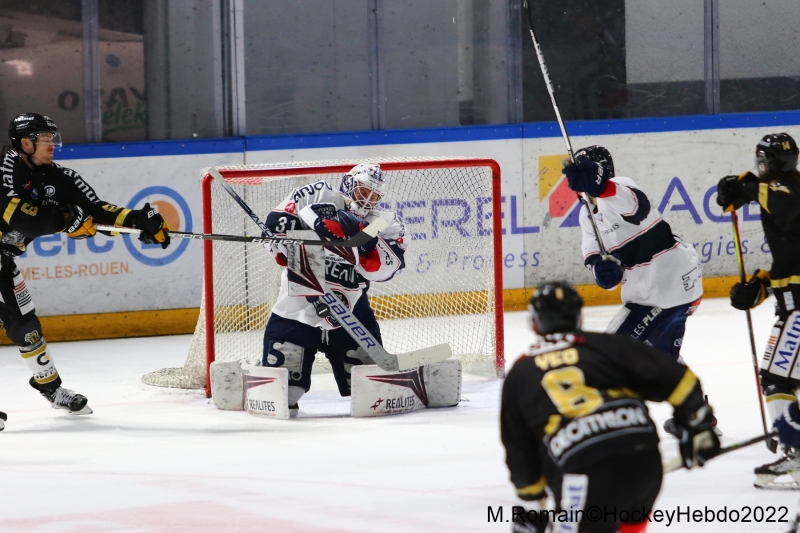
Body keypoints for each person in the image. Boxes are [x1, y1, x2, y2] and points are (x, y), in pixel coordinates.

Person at [501, 280, 720, 533]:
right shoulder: (607, 345)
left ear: (535, 323)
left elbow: (519, 448)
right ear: (578, 317)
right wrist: (698, 425)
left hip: (583, 469)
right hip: (643, 457)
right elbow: (679, 379)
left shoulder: (521, 371)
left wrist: (532, 504)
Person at [0, 112, 170, 420]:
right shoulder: (5, 167)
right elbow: (17, 215)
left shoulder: (60, 178)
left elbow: (96, 212)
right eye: (45, 139)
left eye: (53, 138)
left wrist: (137, 221)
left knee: (26, 328)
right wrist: (66, 220)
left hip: (2, 259)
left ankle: (53, 390)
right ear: (25, 143)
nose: (52, 144)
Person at [562, 146, 707, 437]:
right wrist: (602, 271)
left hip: (670, 285)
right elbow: (596, 259)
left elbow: (637, 208)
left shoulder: (621, 188)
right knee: (662, 355)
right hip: (652, 289)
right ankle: (697, 414)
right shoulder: (585, 215)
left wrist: (602, 185)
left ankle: (613, 425)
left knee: (612, 354)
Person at [262, 163, 407, 416]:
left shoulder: (385, 221)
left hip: (351, 316)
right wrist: (285, 246)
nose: (368, 199)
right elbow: (274, 225)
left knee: (373, 397)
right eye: (363, 191)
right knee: (284, 397)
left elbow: (384, 269)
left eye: (375, 195)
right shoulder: (317, 193)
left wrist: (357, 242)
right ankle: (256, 370)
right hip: (297, 310)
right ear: (349, 184)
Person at [716, 132, 800, 489]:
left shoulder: (789, 192)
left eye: (762, 162)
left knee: (778, 379)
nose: (759, 168)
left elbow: (788, 208)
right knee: (780, 377)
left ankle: (796, 456)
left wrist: (746, 185)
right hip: (793, 303)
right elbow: (790, 259)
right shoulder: (778, 192)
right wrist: (760, 287)